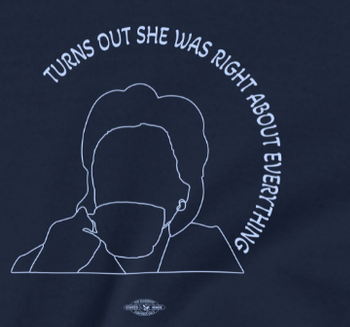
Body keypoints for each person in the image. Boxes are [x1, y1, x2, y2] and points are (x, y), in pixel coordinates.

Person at [13, 81, 243, 274]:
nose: (129, 188)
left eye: (154, 174)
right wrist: (54, 268)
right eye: (110, 170)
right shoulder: (42, 260)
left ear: (184, 193)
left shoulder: (212, 253)